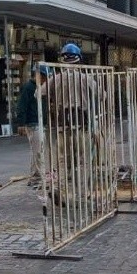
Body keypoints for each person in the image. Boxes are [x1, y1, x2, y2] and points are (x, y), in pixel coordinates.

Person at [41, 43, 102, 209]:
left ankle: (60, 191)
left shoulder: (56, 78)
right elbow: (102, 94)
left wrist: (54, 99)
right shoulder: (85, 78)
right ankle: (81, 195)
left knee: (62, 161)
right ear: (79, 59)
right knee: (83, 161)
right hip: (81, 125)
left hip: (62, 126)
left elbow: (38, 93)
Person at [15, 64, 49, 188]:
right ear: (39, 75)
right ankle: (36, 179)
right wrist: (21, 124)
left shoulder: (41, 87)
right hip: (33, 123)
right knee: (38, 152)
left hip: (39, 123)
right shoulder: (29, 87)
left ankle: (35, 177)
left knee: (37, 152)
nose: (46, 80)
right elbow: (21, 106)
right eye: (45, 77)